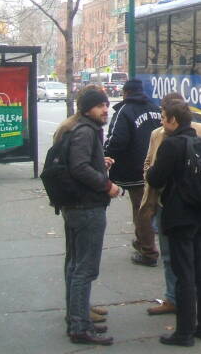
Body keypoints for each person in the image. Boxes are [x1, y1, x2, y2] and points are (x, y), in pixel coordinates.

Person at [138, 93, 201, 318]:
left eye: (163, 115)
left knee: (187, 266)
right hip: (165, 204)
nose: (160, 120)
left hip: (183, 209)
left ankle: (186, 320)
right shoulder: (157, 134)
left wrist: (192, 179)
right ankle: (174, 300)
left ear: (173, 119)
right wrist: (149, 171)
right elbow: (149, 162)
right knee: (170, 258)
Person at [56, 85, 121, 346]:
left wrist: (99, 162)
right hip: (87, 208)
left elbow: (80, 164)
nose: (105, 109)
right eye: (100, 105)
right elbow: (79, 167)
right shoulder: (85, 131)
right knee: (85, 268)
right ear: (87, 109)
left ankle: (76, 317)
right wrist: (108, 186)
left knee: (74, 265)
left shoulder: (78, 128)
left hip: (76, 207)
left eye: (106, 104)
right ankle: (80, 328)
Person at [104, 78, 162, 266]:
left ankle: (148, 252)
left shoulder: (125, 110)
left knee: (141, 209)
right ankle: (143, 242)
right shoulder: (155, 109)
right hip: (156, 167)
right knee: (152, 207)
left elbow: (117, 140)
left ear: (125, 93)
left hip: (134, 169)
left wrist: (106, 154)